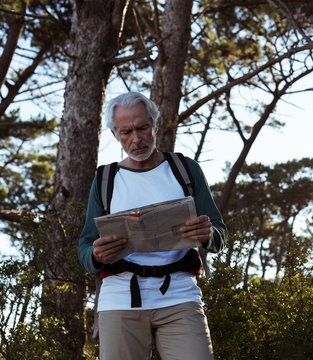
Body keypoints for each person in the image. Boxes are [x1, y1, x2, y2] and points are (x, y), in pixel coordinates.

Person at [78, 91, 227, 360]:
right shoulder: (105, 179)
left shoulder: (185, 169)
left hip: (180, 296)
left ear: (155, 124)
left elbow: (219, 232)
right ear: (115, 135)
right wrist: (96, 255)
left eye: (143, 128)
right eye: (126, 132)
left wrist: (208, 235)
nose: (136, 139)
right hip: (121, 298)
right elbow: (85, 247)